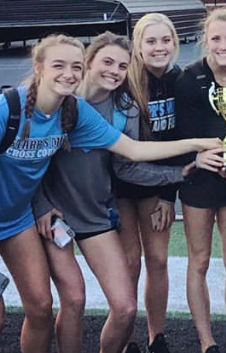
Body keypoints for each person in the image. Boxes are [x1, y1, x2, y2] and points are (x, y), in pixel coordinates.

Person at [0, 34, 221, 353]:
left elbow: (133, 149)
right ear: (39, 67)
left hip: (15, 219)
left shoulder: (75, 111)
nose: (68, 74)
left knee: (41, 309)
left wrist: (197, 144)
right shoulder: (3, 111)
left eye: (75, 67)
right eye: (59, 65)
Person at [32, 32, 199, 353]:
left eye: (122, 65)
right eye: (107, 62)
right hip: (54, 216)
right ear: (88, 63)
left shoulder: (125, 108)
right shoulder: (58, 97)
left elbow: (128, 165)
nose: (114, 71)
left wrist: (176, 175)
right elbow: (28, 163)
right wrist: (40, 204)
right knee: (73, 300)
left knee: (124, 308)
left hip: (95, 214)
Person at [174, 8, 226, 353]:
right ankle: (207, 341)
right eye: (217, 38)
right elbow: (180, 134)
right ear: (206, 40)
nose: (224, 45)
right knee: (201, 260)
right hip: (199, 180)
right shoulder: (188, 78)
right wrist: (198, 158)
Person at [116, 13, 184, 353]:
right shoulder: (124, 83)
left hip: (158, 184)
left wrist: (169, 196)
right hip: (119, 184)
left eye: (165, 40)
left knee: (157, 259)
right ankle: (126, 338)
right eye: (151, 41)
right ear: (138, 47)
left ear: (174, 42)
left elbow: (183, 142)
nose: (159, 48)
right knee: (129, 261)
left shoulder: (181, 80)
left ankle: (157, 335)